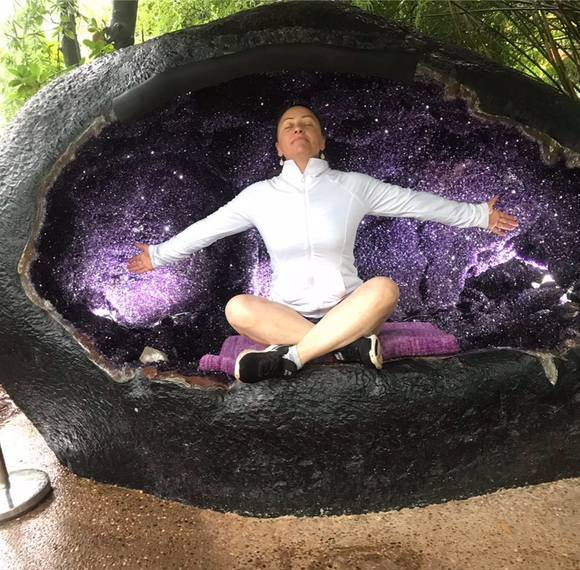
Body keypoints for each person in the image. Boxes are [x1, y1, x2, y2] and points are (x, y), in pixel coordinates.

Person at [127, 103, 519, 383]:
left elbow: (414, 202)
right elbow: (206, 229)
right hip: (284, 315)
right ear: (279, 148)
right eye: (289, 126)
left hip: (349, 309)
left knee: (384, 289)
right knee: (237, 308)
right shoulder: (257, 196)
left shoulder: (352, 186)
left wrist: (478, 215)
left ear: (321, 141)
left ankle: (294, 357)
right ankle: (346, 348)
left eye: (307, 124)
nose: (298, 129)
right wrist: (157, 255)